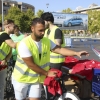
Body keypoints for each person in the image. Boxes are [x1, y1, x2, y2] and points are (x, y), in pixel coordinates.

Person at [11, 18, 89, 100]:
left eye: (44, 30)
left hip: (37, 79)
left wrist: (76, 53)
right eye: (40, 30)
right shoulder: (24, 44)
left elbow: (59, 49)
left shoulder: (46, 41)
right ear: (32, 28)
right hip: (22, 79)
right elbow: (31, 65)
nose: (43, 32)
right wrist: (47, 73)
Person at [0, 19, 17, 100]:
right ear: (8, 26)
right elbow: (14, 45)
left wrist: (5, 60)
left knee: (2, 85)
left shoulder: (9, 38)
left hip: (2, 64)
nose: (14, 27)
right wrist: (27, 41)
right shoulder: (3, 35)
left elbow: (10, 53)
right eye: (13, 26)